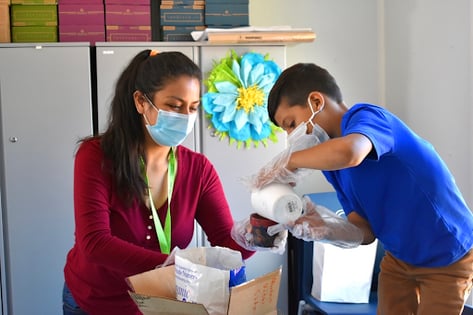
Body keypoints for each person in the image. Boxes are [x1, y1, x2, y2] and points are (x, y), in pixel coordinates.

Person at [63, 50, 286, 315]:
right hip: (95, 301)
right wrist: (178, 265)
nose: (185, 117)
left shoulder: (198, 170)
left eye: (192, 108)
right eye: (174, 106)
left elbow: (226, 244)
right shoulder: (96, 156)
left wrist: (256, 236)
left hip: (161, 305)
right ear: (141, 102)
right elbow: (95, 243)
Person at [255, 62, 473, 315]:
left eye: (291, 124)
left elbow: (351, 152)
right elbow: (365, 231)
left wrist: (287, 161)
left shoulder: (368, 117)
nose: (292, 137)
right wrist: (323, 227)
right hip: (400, 257)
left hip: (448, 252)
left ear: (316, 102)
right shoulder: (331, 166)